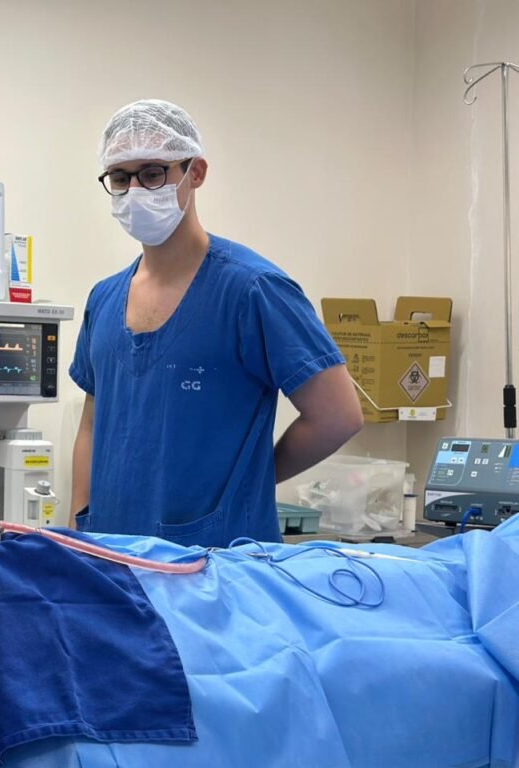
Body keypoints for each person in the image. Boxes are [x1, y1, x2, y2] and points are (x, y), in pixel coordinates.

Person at [69, 99, 363, 547]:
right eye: (121, 178)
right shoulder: (104, 299)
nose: (135, 191)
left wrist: (253, 480)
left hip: (219, 563)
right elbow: (92, 423)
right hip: (112, 557)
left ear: (196, 173)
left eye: (153, 173)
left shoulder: (252, 290)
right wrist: (78, 532)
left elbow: (337, 416)